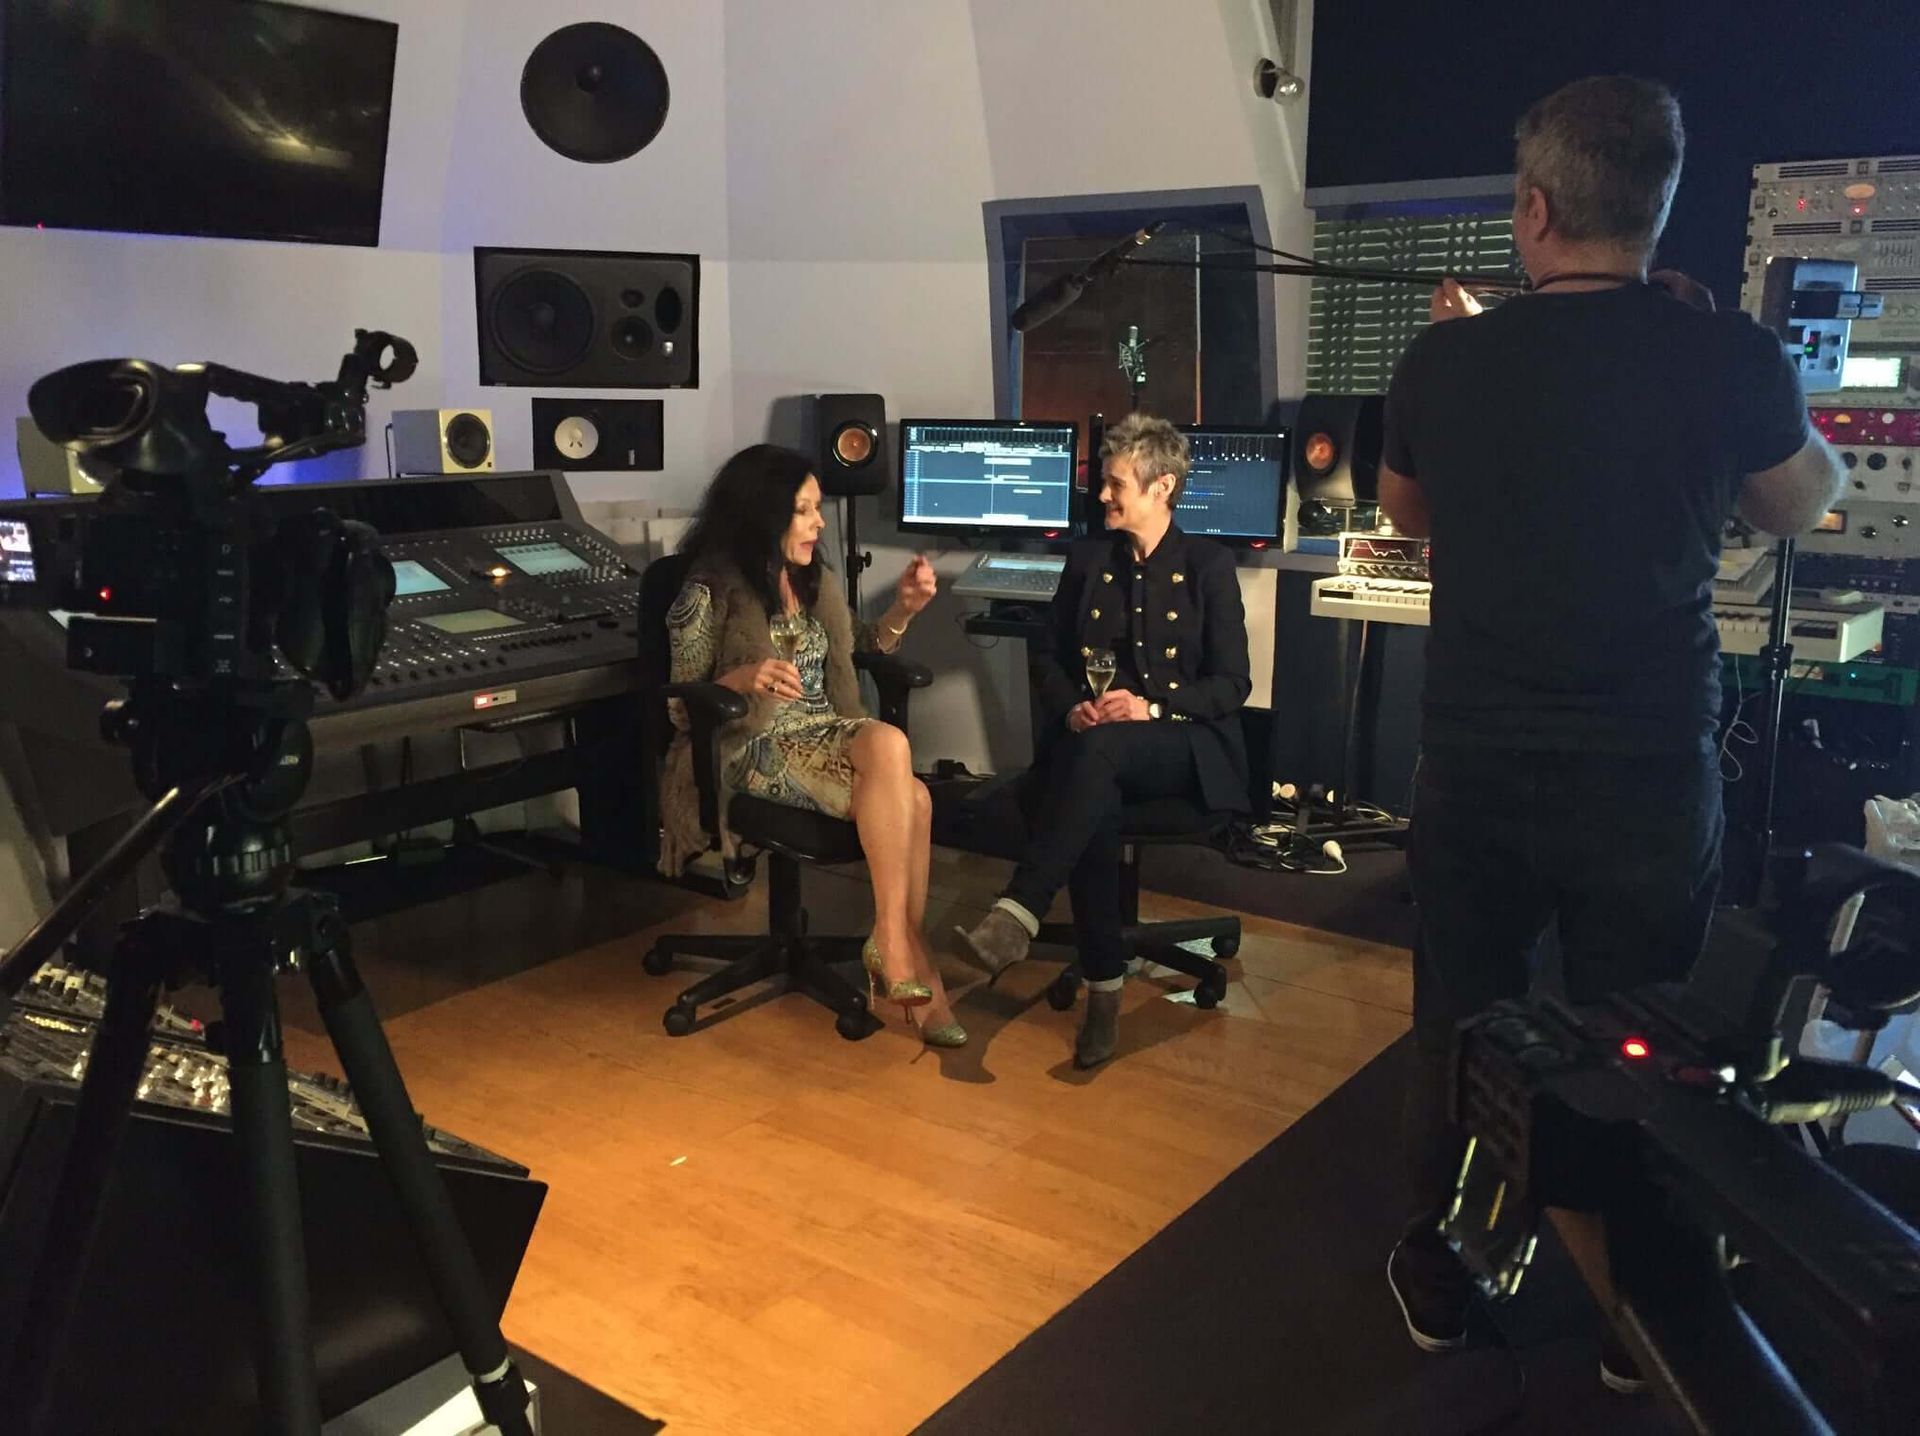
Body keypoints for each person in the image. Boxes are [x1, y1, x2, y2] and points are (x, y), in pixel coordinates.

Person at [1375, 76, 1846, 1388]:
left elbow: (1407, 514)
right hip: (1645, 767)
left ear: (1534, 209)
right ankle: (1640, 1316)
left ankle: (1441, 1264)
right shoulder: (1723, 353)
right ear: (1657, 208)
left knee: (1459, 1015)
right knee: (1639, 1034)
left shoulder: (1444, 358)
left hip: (1475, 758)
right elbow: (1804, 501)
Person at [957, 413, 1252, 1068]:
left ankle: (1022, 908)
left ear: (1162, 487)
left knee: (1095, 761)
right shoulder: (1090, 559)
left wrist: (1151, 706)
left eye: (1116, 483)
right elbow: (1047, 657)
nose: (1102, 495)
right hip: (1097, 750)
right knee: (1095, 797)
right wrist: (1072, 711)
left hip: (1184, 746)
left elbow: (1232, 684)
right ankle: (1104, 995)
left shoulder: (1207, 565)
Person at [658, 444, 964, 1047]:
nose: (819, 523)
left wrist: (903, 610)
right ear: (764, 513)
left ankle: (894, 942)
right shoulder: (707, 589)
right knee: (911, 789)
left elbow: (855, 649)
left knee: (911, 787)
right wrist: (741, 678)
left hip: (824, 730)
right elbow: (678, 705)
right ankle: (908, 956)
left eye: (817, 508)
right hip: (750, 744)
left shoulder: (813, 581)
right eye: (804, 511)